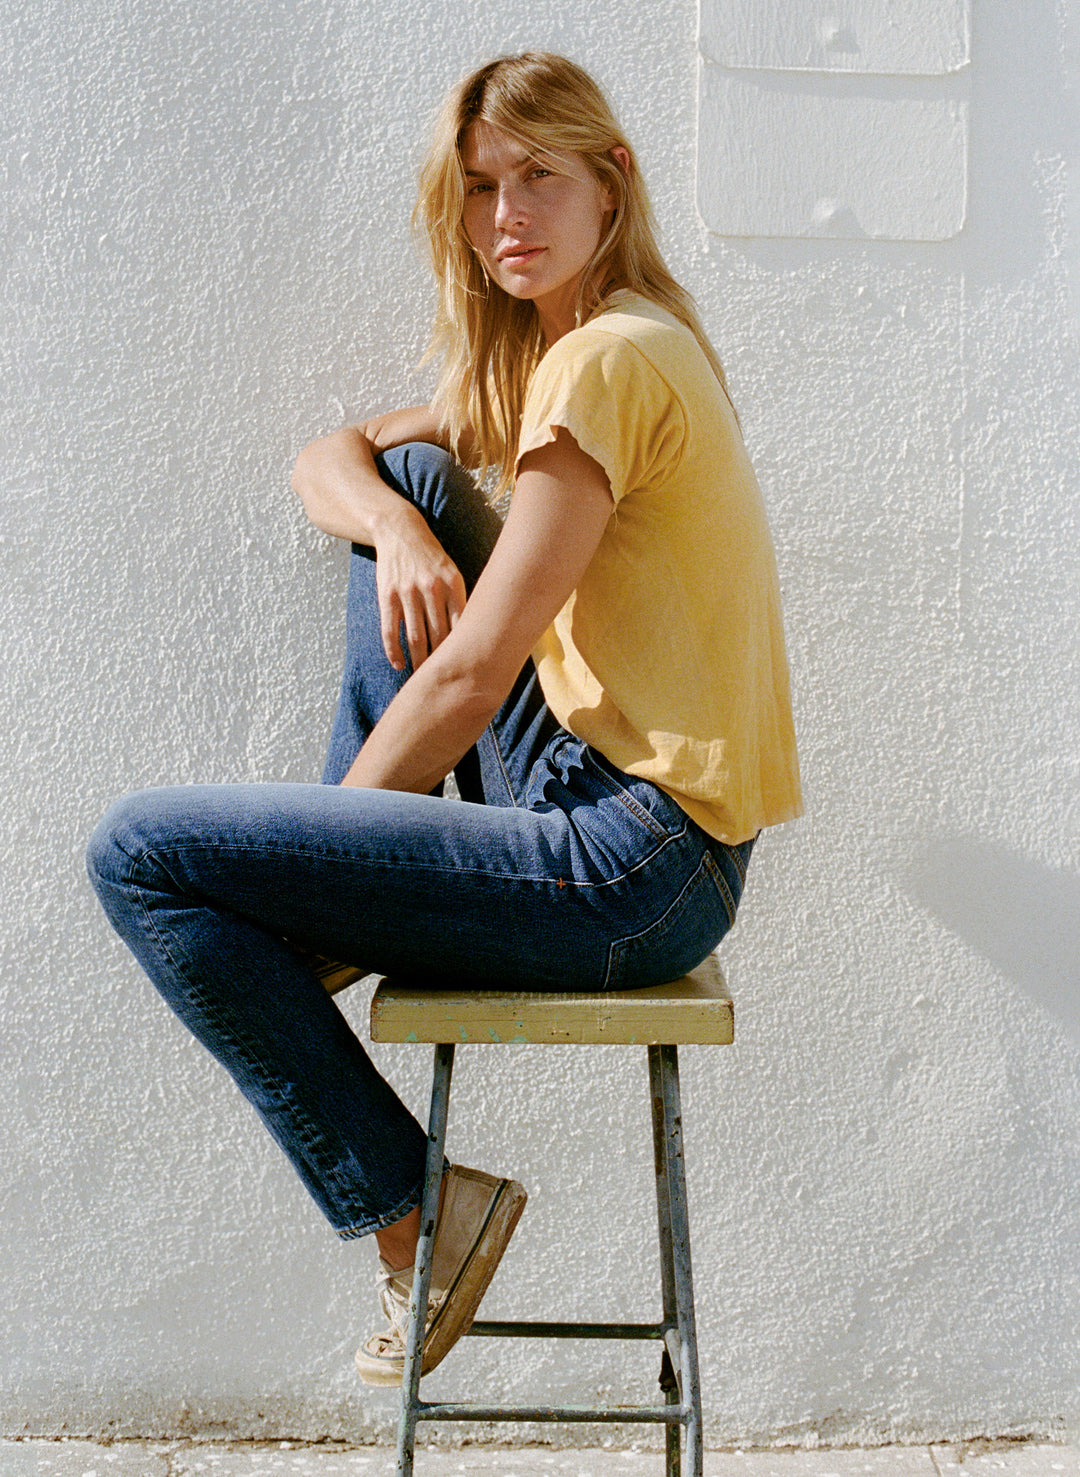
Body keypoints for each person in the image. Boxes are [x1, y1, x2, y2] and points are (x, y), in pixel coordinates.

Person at [86, 51, 802, 1387]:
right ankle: (329, 915)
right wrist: (401, 532)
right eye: (480, 186)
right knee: (409, 470)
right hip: (622, 818)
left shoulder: (605, 366)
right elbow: (333, 457)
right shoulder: (591, 349)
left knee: (142, 852)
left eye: (541, 177)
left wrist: (330, 842)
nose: (506, 217)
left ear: (613, 182)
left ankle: (418, 1213)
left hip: (632, 865)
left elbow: (475, 676)